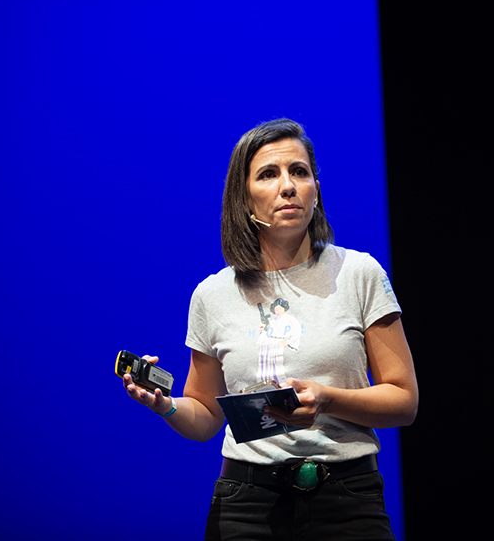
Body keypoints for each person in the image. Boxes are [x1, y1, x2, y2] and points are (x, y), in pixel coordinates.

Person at [123, 118, 418, 540]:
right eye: (268, 174)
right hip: (247, 505)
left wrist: (328, 399)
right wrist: (165, 405)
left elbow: (404, 401)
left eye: (299, 172)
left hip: (347, 500)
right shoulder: (211, 295)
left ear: (316, 189)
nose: (288, 186)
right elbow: (205, 417)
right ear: (244, 199)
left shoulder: (359, 273)